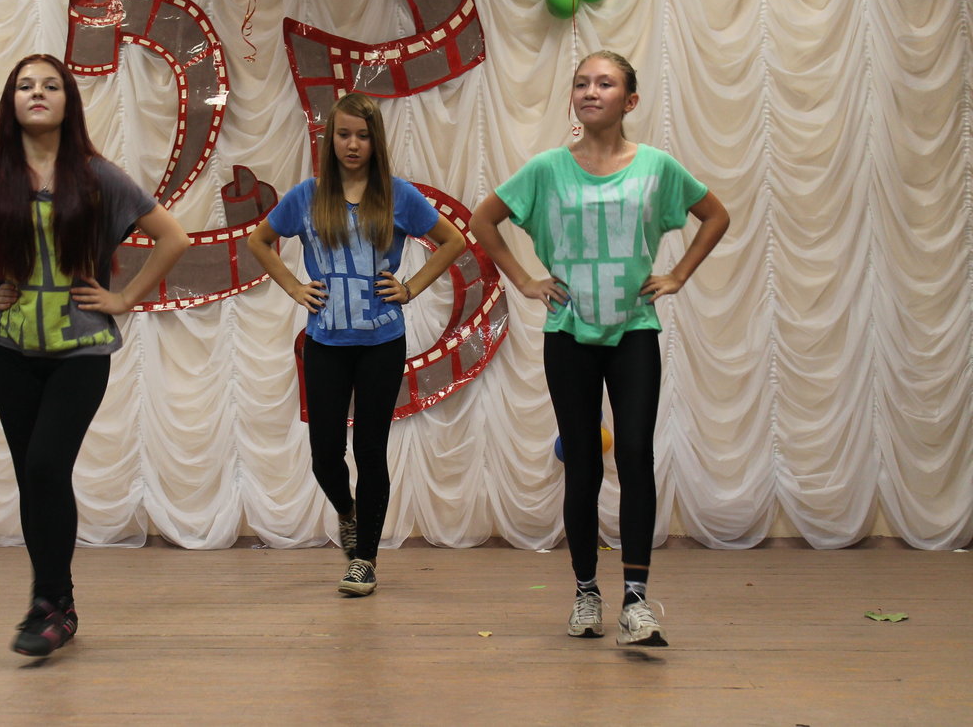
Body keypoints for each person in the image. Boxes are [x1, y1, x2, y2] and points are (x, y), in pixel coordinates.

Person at [0, 53, 190, 657]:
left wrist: (124, 299)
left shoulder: (99, 177)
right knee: (32, 480)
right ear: (11, 103)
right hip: (11, 352)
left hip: (80, 353)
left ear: (68, 101)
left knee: (44, 468)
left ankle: (54, 601)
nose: (37, 93)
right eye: (26, 86)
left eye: (51, 85)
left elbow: (174, 237)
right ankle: (50, 605)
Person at [470, 51, 729, 646]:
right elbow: (484, 221)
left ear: (629, 101)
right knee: (583, 460)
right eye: (582, 82)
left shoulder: (657, 167)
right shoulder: (546, 169)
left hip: (633, 330)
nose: (591, 91)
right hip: (568, 334)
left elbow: (715, 216)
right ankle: (586, 592)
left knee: (634, 454)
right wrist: (526, 280)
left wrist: (678, 275)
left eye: (605, 83)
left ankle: (636, 601)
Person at [248, 93, 466, 596]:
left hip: (381, 343)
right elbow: (259, 240)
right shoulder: (307, 196)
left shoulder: (397, 195)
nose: (352, 144)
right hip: (325, 342)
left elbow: (453, 240)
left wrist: (410, 287)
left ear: (375, 142)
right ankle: (347, 513)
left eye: (363, 136)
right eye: (344, 134)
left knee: (370, 450)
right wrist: (294, 288)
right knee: (324, 454)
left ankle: (364, 558)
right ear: (331, 140)